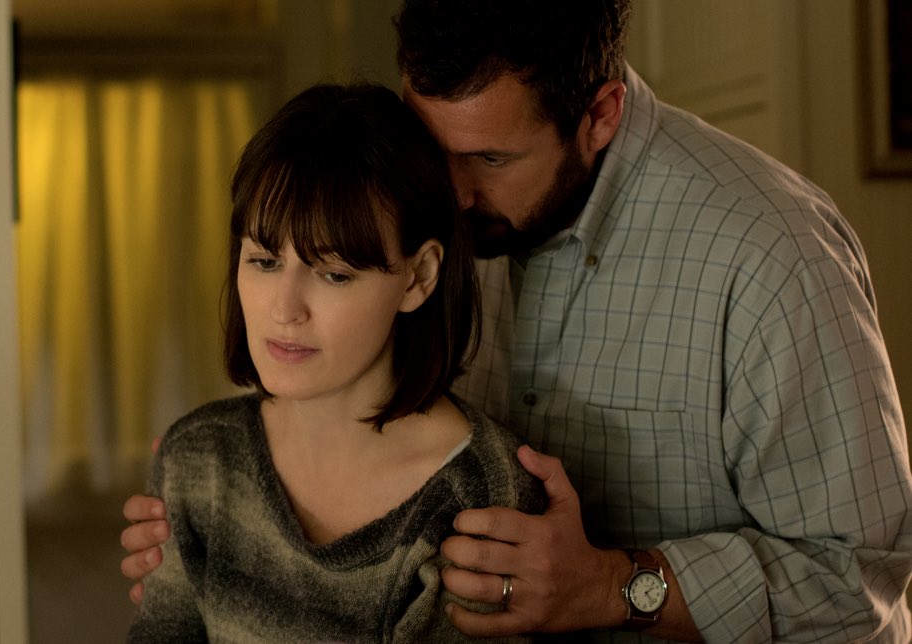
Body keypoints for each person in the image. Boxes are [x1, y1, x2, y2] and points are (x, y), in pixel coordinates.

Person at [123, 1, 912, 641]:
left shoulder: (771, 255)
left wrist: (613, 586)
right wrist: (230, 512)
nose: (449, 193)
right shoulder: (433, 214)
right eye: (431, 144)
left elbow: (860, 584)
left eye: (489, 160)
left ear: (601, 114)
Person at [125, 81, 546, 643]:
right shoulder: (197, 456)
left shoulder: (480, 498)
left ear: (418, 277)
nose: (285, 310)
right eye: (264, 261)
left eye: (334, 274)